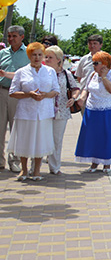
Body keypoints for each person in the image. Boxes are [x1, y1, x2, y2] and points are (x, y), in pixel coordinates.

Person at [6, 42, 59, 180]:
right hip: (25, 111)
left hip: (44, 111)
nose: (37, 58)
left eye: (40, 55)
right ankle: (23, 170)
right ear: (29, 56)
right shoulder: (21, 72)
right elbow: (12, 92)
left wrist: (44, 95)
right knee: (24, 140)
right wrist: (29, 94)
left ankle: (36, 170)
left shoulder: (50, 71)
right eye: (34, 55)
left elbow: (56, 90)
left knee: (40, 140)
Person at [74, 51, 111, 172]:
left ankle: (107, 163)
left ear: (104, 64)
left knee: (106, 136)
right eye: (93, 62)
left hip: (108, 110)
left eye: (96, 63)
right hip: (92, 109)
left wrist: (104, 77)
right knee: (93, 136)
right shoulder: (92, 75)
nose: (93, 65)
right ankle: (94, 162)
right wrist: (82, 98)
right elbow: (86, 88)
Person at [43, 45, 78, 175]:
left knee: (57, 140)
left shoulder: (66, 74)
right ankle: (34, 168)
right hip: (44, 110)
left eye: (50, 57)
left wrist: (73, 99)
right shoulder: (42, 72)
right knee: (41, 138)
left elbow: (75, 88)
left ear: (58, 59)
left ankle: (54, 167)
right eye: (45, 56)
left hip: (61, 110)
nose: (46, 59)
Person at [0, 25, 29, 172]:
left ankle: (15, 160)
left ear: (22, 37)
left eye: (14, 36)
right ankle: (0, 161)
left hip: (19, 95)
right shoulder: (2, 53)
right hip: (2, 92)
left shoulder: (28, 54)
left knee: (16, 129)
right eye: (9, 36)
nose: (11, 39)